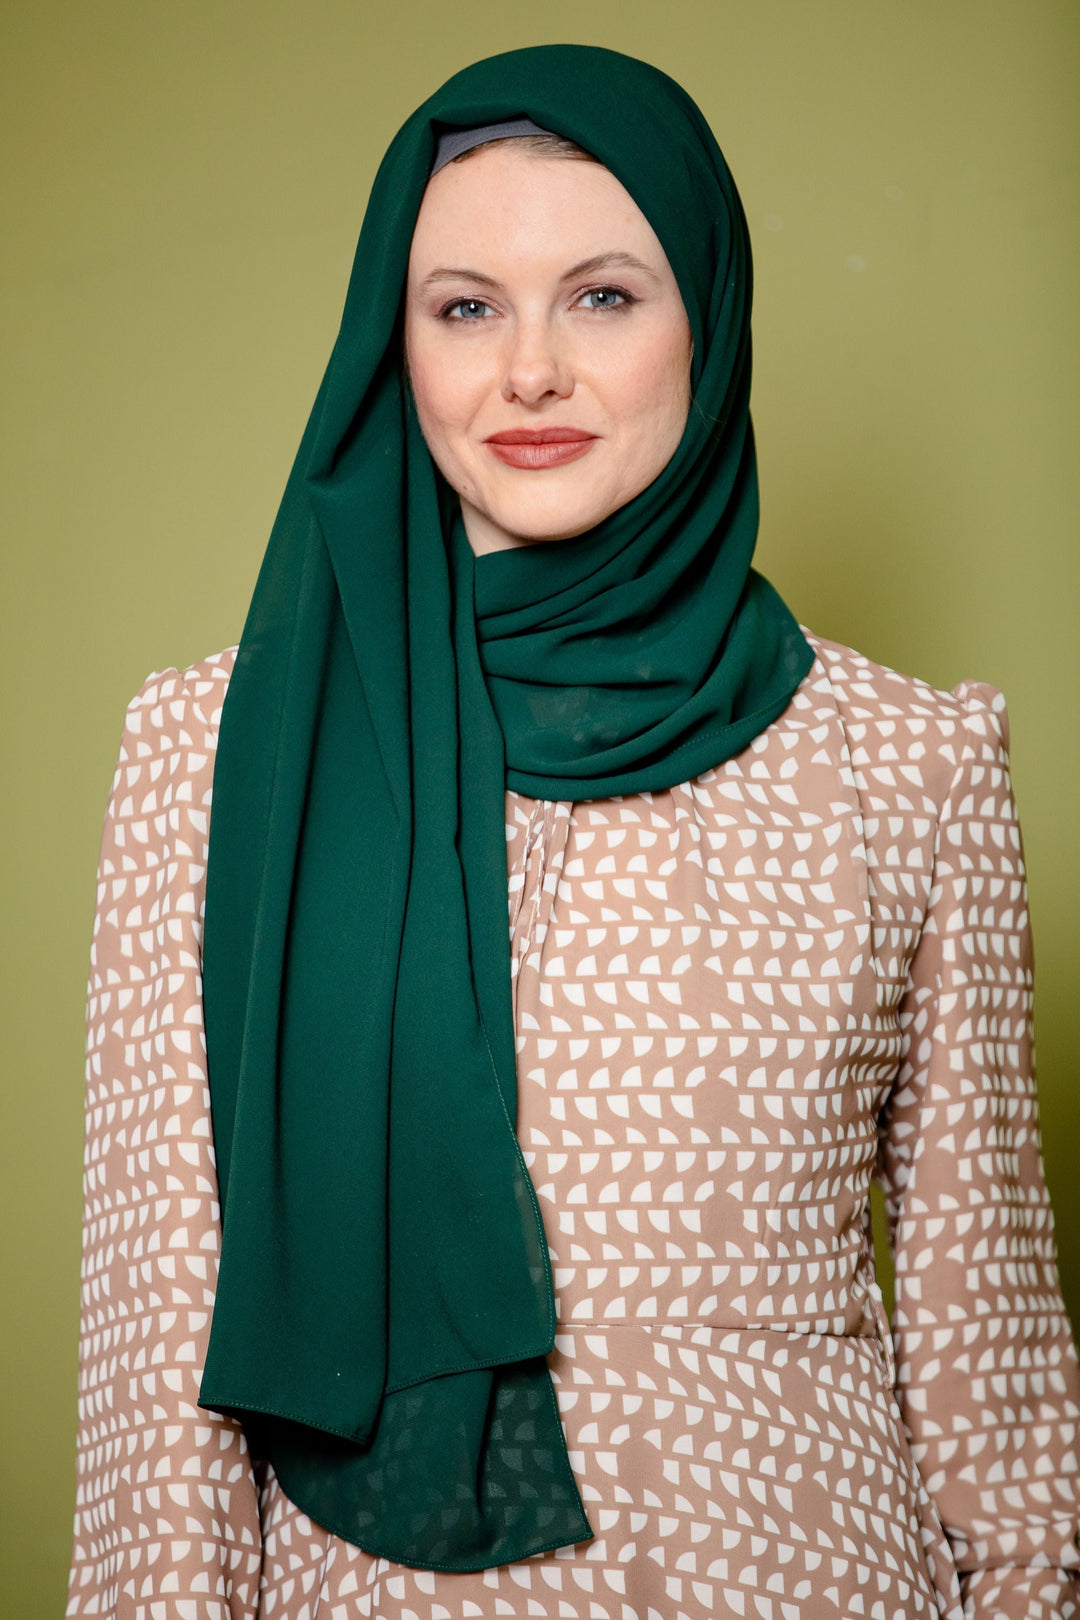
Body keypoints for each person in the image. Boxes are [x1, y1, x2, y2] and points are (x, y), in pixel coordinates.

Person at [67, 43, 1080, 1620]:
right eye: (465, 307)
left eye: (603, 296)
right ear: (394, 347)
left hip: (815, 1577)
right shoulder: (216, 750)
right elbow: (157, 1343)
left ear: (710, 323)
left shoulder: (912, 764)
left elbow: (987, 1345)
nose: (527, 370)